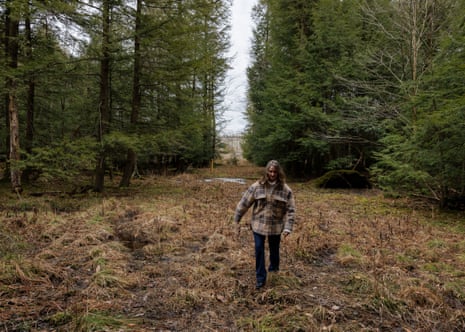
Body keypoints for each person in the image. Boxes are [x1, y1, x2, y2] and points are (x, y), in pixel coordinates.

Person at [234, 160, 296, 289]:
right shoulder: (257, 186)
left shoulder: (286, 190)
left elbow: (291, 210)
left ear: (279, 173)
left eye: (275, 172)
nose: (272, 174)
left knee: (274, 251)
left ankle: (274, 272)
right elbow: (244, 202)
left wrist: (288, 228)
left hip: (276, 226)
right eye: (270, 171)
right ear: (266, 171)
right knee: (259, 249)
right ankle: (260, 278)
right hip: (258, 225)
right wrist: (237, 218)